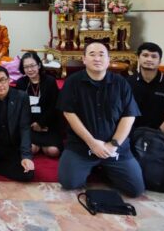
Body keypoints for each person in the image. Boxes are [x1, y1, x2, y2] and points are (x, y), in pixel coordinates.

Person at [56, 41, 145, 198]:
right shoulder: (73, 82)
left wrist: (113, 144)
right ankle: (96, 166)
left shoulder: (121, 83)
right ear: (84, 59)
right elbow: (69, 114)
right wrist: (92, 143)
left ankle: (105, 168)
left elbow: (129, 116)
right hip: (82, 146)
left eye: (101, 54)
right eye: (92, 54)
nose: (97, 58)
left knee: (135, 189)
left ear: (108, 60)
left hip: (115, 148)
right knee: (69, 182)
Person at [126, 42, 164, 150]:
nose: (149, 59)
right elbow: (125, 115)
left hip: (161, 136)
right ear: (138, 58)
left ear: (159, 61)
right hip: (132, 135)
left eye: (154, 56)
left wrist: (153, 137)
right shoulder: (128, 83)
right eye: (145, 55)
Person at [14, 52, 62, 158]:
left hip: (48, 125)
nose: (30, 70)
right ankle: (38, 146)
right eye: (26, 67)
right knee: (31, 149)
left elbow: (54, 106)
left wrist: (41, 123)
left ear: (39, 65)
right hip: (29, 125)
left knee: (53, 151)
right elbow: (19, 108)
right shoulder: (21, 83)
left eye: (32, 66)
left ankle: (42, 145)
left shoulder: (50, 81)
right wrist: (31, 125)